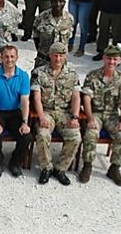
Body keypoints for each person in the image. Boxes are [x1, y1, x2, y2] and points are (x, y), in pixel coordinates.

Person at [79, 45, 121, 186]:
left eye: (115, 59)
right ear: (103, 58)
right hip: (95, 113)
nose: (111, 62)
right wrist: (89, 118)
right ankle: (87, 165)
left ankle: (114, 168)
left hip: (112, 114)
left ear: (119, 60)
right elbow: (87, 99)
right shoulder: (93, 75)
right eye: (109, 58)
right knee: (91, 133)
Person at [31, 42, 81, 185]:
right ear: (50, 56)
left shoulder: (72, 74)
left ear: (65, 57)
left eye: (61, 56)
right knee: (42, 134)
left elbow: (76, 97)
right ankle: (46, 167)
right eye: (55, 55)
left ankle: (60, 169)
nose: (58, 59)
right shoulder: (39, 73)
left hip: (65, 112)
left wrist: (75, 116)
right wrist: (41, 116)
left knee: (75, 137)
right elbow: (36, 97)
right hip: (47, 111)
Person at [0, 45, 32, 178]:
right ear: (1, 58)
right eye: (6, 56)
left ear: (17, 58)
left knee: (26, 136)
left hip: (15, 112)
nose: (9, 59)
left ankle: (15, 163)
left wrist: (25, 122)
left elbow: (25, 101)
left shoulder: (23, 76)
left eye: (12, 56)